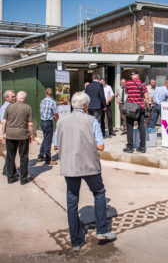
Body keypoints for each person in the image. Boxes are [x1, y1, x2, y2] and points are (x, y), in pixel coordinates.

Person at [57, 92, 116, 251]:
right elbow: (100, 145)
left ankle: (76, 241)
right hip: (89, 164)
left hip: (70, 165)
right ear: (84, 106)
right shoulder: (92, 120)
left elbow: (56, 144)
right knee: (99, 192)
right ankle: (102, 230)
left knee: (72, 201)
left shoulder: (61, 122)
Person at [2, 91, 34, 185]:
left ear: (17, 97)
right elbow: (31, 124)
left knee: (10, 156)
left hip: (10, 135)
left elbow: (4, 122)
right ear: (24, 98)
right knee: (23, 157)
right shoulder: (27, 107)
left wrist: (3, 133)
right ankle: (23, 179)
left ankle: (11, 178)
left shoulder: (9, 107)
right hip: (22, 135)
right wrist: (31, 135)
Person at [123, 70, 149, 153]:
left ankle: (130, 147)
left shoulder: (128, 83)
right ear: (138, 76)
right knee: (141, 127)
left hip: (131, 108)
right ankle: (142, 147)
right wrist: (147, 107)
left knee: (129, 127)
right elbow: (146, 97)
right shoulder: (143, 84)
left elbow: (126, 92)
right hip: (140, 107)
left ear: (132, 76)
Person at [38, 88, 59, 165]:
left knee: (45, 139)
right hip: (48, 122)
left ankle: (40, 155)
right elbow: (56, 114)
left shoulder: (42, 101)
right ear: (52, 94)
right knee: (48, 141)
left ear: (45, 93)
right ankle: (48, 159)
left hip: (42, 121)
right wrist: (58, 121)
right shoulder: (53, 102)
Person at [0, 90, 16, 176]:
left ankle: (6, 170)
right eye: (12, 97)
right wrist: (4, 134)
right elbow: (3, 122)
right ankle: (7, 171)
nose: (14, 98)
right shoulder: (6, 107)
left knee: (11, 153)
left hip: (11, 132)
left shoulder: (10, 106)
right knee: (11, 153)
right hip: (8, 133)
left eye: (14, 96)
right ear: (6, 98)